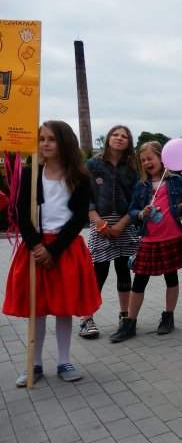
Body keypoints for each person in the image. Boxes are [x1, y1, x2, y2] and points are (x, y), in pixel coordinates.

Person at [3, 121, 101, 386]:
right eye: (42, 138)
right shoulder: (29, 174)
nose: (45, 143)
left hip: (64, 248)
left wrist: (54, 250)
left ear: (64, 142)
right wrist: (36, 246)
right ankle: (33, 364)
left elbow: (79, 217)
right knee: (37, 308)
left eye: (52, 139)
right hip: (35, 247)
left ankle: (64, 360)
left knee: (63, 307)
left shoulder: (79, 177)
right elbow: (21, 213)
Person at [109, 141, 182, 342]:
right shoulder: (141, 185)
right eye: (143, 160)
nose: (147, 163)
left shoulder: (175, 181)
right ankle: (130, 322)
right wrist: (142, 213)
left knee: (171, 277)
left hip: (171, 237)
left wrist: (179, 206)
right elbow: (132, 210)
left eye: (150, 158)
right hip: (149, 240)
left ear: (162, 157)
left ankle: (168, 317)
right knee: (139, 280)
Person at [81, 125, 139, 339]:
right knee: (99, 271)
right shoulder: (93, 164)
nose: (119, 138)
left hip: (124, 222)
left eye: (124, 136)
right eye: (115, 134)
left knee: (124, 270)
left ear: (129, 142)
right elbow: (84, 194)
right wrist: (97, 220)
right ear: (108, 138)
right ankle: (86, 318)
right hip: (100, 220)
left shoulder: (132, 167)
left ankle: (125, 315)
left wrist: (123, 223)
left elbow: (137, 198)